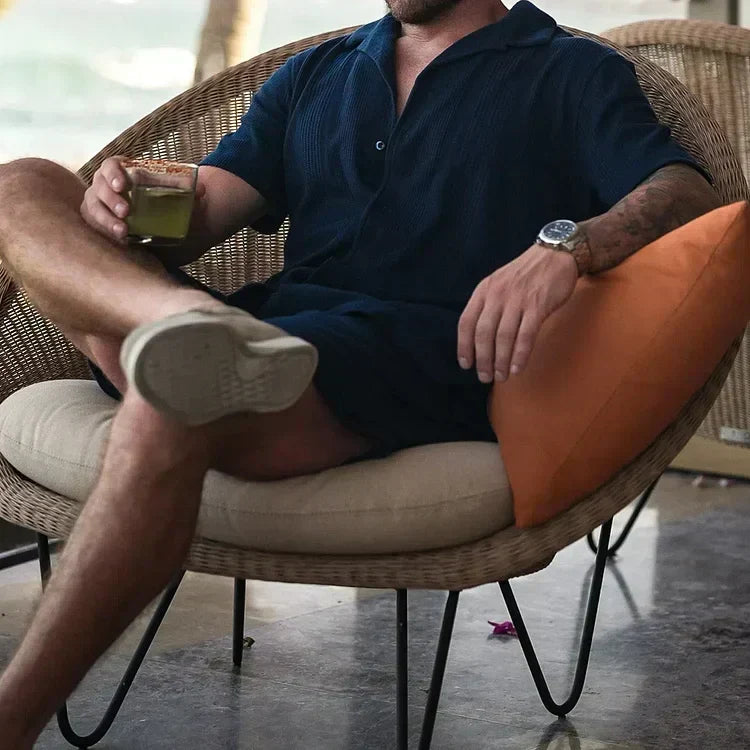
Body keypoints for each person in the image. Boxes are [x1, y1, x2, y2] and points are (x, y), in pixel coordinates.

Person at [0, 0, 720, 745]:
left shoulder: (570, 71)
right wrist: (123, 205)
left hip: (397, 360)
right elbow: (201, 214)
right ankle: (181, 322)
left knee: (178, 393)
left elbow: (686, 194)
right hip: (257, 336)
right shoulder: (318, 71)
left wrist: (565, 246)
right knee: (22, 183)